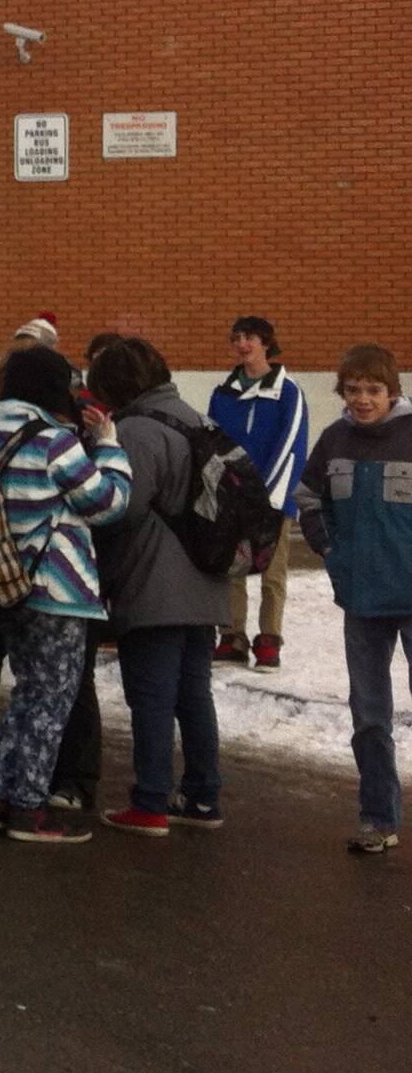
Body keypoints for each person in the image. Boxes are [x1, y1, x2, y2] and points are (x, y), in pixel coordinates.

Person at [0, 345, 132, 846]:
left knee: (25, 694)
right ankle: (29, 811)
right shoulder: (53, 440)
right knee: (51, 701)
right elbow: (106, 503)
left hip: (6, 584)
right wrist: (109, 446)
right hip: (56, 587)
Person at [83, 336, 229, 836]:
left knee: (151, 698)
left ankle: (150, 801)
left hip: (153, 583)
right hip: (205, 580)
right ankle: (204, 798)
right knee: (194, 696)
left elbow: (119, 507)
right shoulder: (195, 418)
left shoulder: (137, 430)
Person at [296, 343, 412, 855]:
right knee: (369, 715)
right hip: (361, 600)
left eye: (373, 389)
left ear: (393, 392)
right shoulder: (333, 439)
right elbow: (306, 495)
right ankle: (378, 819)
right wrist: (330, 551)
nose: (363, 399)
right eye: (353, 389)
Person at [207, 315, 310, 670]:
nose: (242, 344)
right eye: (236, 338)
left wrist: (271, 496)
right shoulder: (222, 394)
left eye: (249, 337)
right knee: (231, 570)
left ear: (266, 342)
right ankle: (232, 637)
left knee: (273, 573)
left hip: (272, 498)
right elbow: (212, 444)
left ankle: (269, 640)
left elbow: (292, 446)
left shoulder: (288, 392)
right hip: (232, 498)